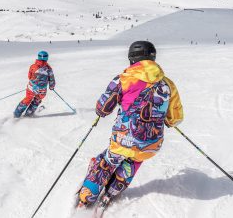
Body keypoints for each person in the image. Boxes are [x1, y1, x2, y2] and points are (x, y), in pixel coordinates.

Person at [77, 41, 184, 209]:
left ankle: (87, 196)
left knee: (106, 162)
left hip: (123, 138)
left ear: (132, 59)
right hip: (151, 143)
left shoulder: (124, 79)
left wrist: (100, 113)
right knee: (132, 162)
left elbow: (103, 107)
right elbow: (175, 117)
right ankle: (111, 192)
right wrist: (167, 120)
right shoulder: (168, 84)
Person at [14, 51, 56, 118]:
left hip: (31, 87)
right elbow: (51, 79)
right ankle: (29, 113)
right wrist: (51, 86)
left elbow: (29, 76)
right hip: (42, 89)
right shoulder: (49, 69)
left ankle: (17, 113)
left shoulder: (33, 66)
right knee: (37, 99)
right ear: (47, 58)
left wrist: (33, 82)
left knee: (28, 98)